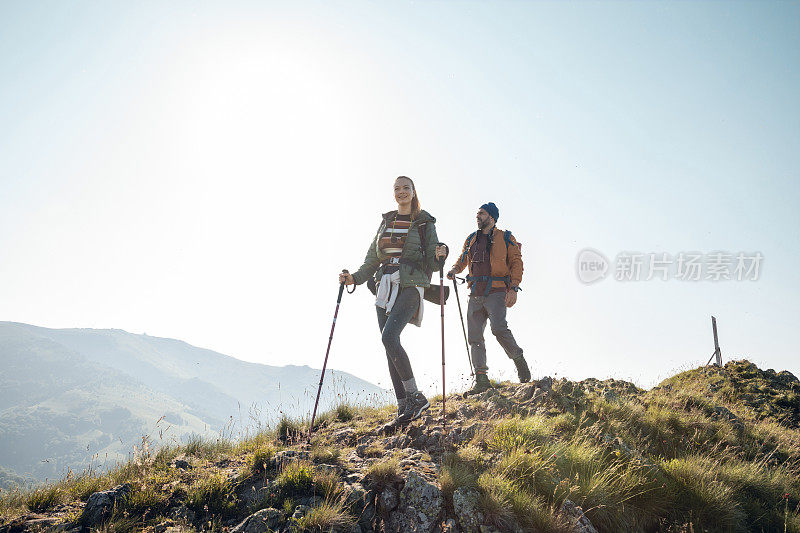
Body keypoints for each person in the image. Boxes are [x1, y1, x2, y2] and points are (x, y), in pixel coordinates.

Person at [340, 176, 447, 427]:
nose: (401, 192)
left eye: (406, 188)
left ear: (413, 192)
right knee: (390, 347)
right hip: (383, 286)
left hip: (410, 285)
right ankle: (404, 409)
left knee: (389, 337)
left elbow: (433, 262)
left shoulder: (423, 221)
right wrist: (353, 278)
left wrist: (441, 253)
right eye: (397, 188)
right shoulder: (386, 221)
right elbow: (372, 259)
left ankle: (415, 397)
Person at [447, 202, 529, 395]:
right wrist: (454, 269)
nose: (478, 217)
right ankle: (481, 379)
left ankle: (518, 359)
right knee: (475, 337)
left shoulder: (506, 237)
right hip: (474, 292)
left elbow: (517, 263)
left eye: (481, 214)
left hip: (497, 291)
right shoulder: (471, 239)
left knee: (498, 329)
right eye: (477, 214)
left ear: (491, 217)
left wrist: (514, 288)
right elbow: (462, 259)